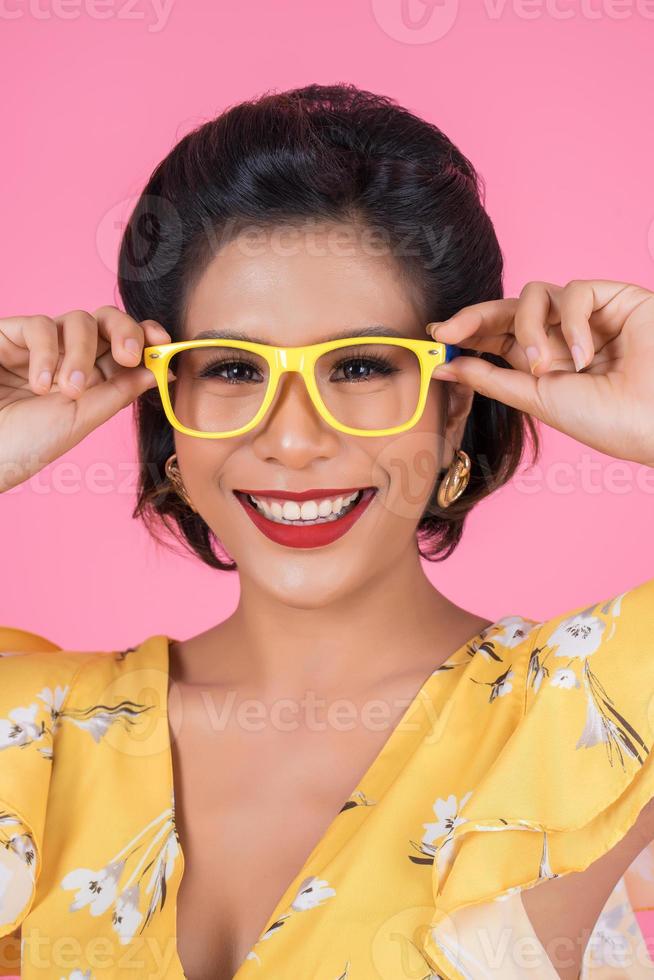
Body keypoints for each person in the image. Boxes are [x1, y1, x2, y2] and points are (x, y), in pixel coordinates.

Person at [1, 82, 653, 980]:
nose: (296, 437)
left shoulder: (589, 713)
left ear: (455, 403)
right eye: (231, 368)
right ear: (168, 409)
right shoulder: (32, 732)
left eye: (357, 366)